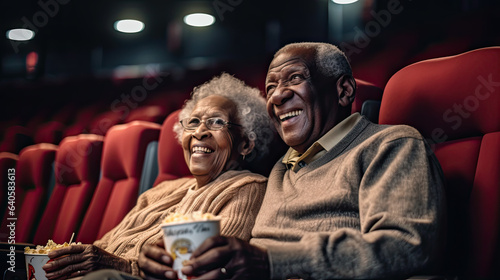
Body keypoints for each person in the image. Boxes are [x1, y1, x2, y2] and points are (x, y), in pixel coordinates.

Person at [138, 42, 446, 279]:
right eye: (270, 87)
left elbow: (406, 247)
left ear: (344, 91)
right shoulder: (280, 167)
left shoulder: (390, 145)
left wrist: (272, 261)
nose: (276, 97)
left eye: (295, 79)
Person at [41, 73, 274, 279]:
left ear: (245, 144)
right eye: (193, 122)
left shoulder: (248, 187)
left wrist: (124, 267)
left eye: (216, 122)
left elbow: (200, 268)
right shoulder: (161, 191)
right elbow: (102, 247)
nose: (199, 132)